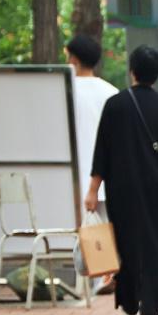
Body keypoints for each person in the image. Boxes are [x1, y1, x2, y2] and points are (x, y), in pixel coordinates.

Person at [85, 46, 158, 315]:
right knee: (153, 244)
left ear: (132, 71)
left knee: (126, 241)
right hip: (155, 187)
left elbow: (102, 151)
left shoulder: (115, 104)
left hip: (120, 188)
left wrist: (92, 190)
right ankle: (150, 311)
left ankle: (129, 301)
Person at [65, 34, 119, 218]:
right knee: (104, 234)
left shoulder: (65, 90)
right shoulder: (112, 93)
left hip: (71, 179)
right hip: (107, 181)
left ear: (74, 59)